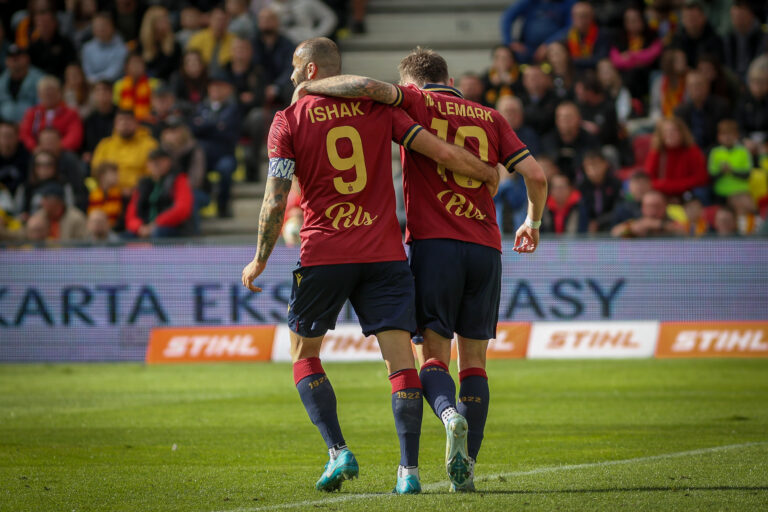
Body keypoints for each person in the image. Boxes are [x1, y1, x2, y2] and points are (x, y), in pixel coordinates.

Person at [242, 38, 501, 495]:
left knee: (305, 355)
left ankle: (337, 450)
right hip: (384, 255)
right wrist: (484, 172)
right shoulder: (378, 111)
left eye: (292, 69)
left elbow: (275, 197)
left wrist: (260, 256)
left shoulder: (287, 120)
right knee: (401, 363)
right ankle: (409, 473)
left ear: (309, 72)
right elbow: (438, 151)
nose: (288, 78)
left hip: (324, 252)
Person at [296, 45, 547, 493]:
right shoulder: (490, 116)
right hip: (487, 248)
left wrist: (307, 84)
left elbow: (368, 89)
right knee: (475, 360)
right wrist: (533, 220)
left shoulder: (414, 101)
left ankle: (448, 415)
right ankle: (465, 470)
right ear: (448, 77)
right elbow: (538, 176)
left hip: (433, 247)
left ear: (411, 83)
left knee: (432, 356)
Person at [189, 71, 240, 218]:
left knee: (226, 169)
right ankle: (199, 206)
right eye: (212, 86)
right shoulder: (200, 107)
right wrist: (216, 125)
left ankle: (222, 205)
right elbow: (193, 129)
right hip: (202, 156)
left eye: (219, 86)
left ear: (228, 89)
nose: (215, 90)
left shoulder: (233, 108)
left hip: (224, 154)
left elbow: (227, 132)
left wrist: (204, 126)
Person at [124, 147, 193, 238]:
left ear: (168, 162)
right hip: (143, 228)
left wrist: (156, 224)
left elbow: (182, 209)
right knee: (123, 238)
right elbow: (131, 215)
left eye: (160, 161)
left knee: (158, 233)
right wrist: (139, 228)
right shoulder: (143, 184)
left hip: (170, 229)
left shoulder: (179, 179)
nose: (155, 165)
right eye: (152, 162)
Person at [90, 109, 158, 196]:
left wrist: (135, 189)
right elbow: (95, 171)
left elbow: (153, 173)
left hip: (139, 194)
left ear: (136, 123)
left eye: (128, 119)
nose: (124, 123)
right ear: (115, 124)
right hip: (109, 193)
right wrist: (116, 189)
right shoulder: (104, 145)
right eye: (120, 120)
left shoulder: (149, 145)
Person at [644, 117, 709, 200]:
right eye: (666, 131)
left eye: (674, 131)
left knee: (701, 192)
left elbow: (701, 178)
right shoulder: (656, 152)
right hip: (663, 194)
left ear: (682, 133)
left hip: (687, 194)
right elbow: (648, 180)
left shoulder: (692, 151)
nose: (670, 134)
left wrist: (670, 185)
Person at [609, 5, 662, 101]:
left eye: (634, 20)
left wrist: (631, 55)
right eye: (628, 20)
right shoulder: (619, 38)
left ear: (642, 20)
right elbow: (616, 60)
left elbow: (653, 54)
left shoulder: (651, 35)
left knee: (635, 74)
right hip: (625, 73)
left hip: (647, 72)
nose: (631, 23)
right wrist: (637, 59)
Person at [19, 75, 83, 152]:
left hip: (62, 153)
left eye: (51, 93)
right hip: (36, 152)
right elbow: (24, 134)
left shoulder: (71, 113)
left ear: (59, 93)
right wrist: (34, 147)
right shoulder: (32, 113)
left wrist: (56, 148)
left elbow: (74, 137)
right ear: (39, 95)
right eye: (45, 94)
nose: (48, 96)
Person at [500, 0, 575, 63]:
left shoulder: (566, 3)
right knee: (506, 53)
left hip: (553, 45)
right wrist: (510, 42)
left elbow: (570, 27)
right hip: (527, 47)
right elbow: (507, 17)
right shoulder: (529, 2)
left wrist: (547, 44)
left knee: (557, 52)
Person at [542, 101, 600, 182]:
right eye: (560, 117)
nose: (564, 121)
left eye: (568, 117)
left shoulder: (589, 139)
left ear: (579, 119)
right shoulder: (548, 140)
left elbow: (590, 162)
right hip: (555, 185)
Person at [674, 71, 729, 151]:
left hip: (715, 153)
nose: (695, 89)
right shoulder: (680, 111)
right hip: (689, 153)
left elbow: (726, 133)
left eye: (699, 85)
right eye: (691, 86)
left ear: (707, 86)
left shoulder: (721, 106)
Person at [708, 119, 753, 202]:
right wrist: (721, 171)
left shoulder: (743, 151)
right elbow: (711, 177)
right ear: (719, 137)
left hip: (741, 192)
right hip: (721, 193)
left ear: (737, 136)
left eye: (730, 134)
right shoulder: (715, 152)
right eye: (724, 134)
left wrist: (731, 171)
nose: (727, 137)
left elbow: (747, 175)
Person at [671, 0, 724, 69]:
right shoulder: (678, 38)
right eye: (687, 18)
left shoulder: (714, 39)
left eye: (694, 18)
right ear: (682, 20)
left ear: (703, 18)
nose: (690, 21)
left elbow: (714, 66)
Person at [577, 151, 622, 232]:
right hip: (587, 231)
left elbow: (618, 209)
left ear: (605, 164)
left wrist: (599, 222)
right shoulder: (581, 186)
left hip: (611, 227)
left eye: (595, 164)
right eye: (588, 166)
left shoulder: (615, 184)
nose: (592, 169)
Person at [27, 7, 76, 79]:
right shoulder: (33, 46)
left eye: (46, 23)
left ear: (54, 23)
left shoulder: (65, 43)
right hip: (41, 83)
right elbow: (32, 70)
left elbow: (71, 65)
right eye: (40, 24)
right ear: (36, 27)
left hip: (62, 80)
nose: (44, 27)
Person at [611, 189, 685, 237]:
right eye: (649, 206)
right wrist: (633, 229)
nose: (653, 211)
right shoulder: (637, 223)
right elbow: (615, 232)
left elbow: (684, 232)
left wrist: (660, 225)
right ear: (643, 208)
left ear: (664, 207)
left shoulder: (672, 223)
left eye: (657, 206)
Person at [724, 1, 767, 81]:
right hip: (735, 80)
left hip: (756, 78)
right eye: (734, 16)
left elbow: (760, 63)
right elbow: (728, 64)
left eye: (740, 16)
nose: (737, 20)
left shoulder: (762, 37)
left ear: (751, 15)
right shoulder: (729, 38)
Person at [0, 44, 43, 123]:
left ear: (27, 58)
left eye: (18, 57)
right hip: (5, 127)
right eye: (11, 58)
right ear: (6, 61)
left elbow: (43, 107)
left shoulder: (40, 79)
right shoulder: (2, 81)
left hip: (32, 124)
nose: (15, 60)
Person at [81, 11, 127, 83]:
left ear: (112, 26)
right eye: (97, 26)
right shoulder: (87, 48)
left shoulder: (122, 48)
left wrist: (95, 80)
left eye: (103, 25)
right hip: (93, 86)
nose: (100, 29)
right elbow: (87, 73)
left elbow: (114, 73)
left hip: (115, 85)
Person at [138, 6, 182, 81]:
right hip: (145, 85)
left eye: (167, 19)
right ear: (151, 23)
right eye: (162, 20)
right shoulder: (140, 46)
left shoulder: (175, 45)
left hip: (167, 85)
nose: (167, 22)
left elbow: (176, 72)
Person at [186, 6, 234, 74]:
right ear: (210, 19)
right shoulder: (198, 38)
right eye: (218, 19)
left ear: (228, 22)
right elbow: (189, 61)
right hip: (201, 74)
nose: (220, 23)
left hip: (226, 75)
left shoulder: (234, 41)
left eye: (224, 20)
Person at [113, 53, 160, 122]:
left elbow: (157, 108)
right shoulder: (119, 85)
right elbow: (117, 108)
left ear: (144, 66)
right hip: (126, 122)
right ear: (126, 67)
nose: (136, 66)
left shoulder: (155, 84)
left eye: (139, 63)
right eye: (133, 63)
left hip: (148, 122)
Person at [270, 0, 338, 44]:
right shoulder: (272, 6)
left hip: (305, 42)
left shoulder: (307, 2)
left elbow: (330, 17)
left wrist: (317, 35)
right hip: (281, 45)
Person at [0, 120, 30, 215]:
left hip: (20, 197)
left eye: (9, 136)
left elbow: (30, 182)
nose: (6, 140)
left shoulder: (26, 156)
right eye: (3, 136)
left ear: (17, 137)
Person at [82, 80, 115, 160]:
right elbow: (85, 144)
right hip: (95, 156)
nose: (102, 93)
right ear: (94, 95)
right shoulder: (89, 118)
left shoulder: (120, 115)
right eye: (98, 91)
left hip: (116, 153)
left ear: (112, 93)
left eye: (105, 90)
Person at [87, 161, 123, 228]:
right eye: (113, 174)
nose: (117, 177)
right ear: (102, 176)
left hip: (115, 228)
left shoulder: (118, 193)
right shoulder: (94, 194)